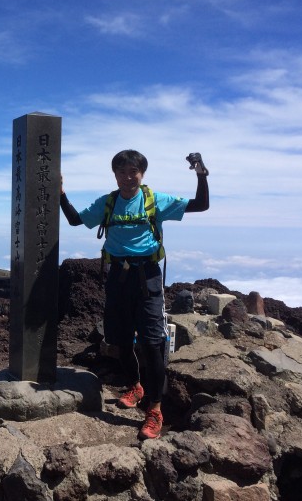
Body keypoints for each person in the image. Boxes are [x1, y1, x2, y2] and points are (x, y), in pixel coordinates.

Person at [60, 150, 209, 439]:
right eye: (122, 172)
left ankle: (154, 408)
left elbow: (201, 205)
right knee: (120, 340)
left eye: (134, 172)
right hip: (117, 277)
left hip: (147, 279)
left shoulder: (156, 201)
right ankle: (135, 385)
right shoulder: (109, 202)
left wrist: (201, 175)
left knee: (153, 344)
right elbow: (76, 220)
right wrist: (60, 193)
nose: (128, 178)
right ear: (115, 174)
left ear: (142, 174)